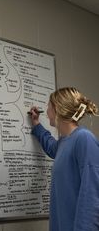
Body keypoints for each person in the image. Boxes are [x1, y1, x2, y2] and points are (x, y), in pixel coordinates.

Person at [29, 87, 99, 231]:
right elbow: (50, 145)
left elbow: (92, 195)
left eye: (48, 107)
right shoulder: (64, 142)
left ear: (58, 109)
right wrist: (36, 124)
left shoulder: (84, 139)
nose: (47, 113)